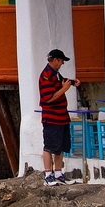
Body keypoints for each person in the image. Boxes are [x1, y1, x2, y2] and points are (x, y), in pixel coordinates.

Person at [39, 48, 78, 186]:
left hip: (62, 116)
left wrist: (71, 82)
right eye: (61, 61)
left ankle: (58, 173)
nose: (62, 63)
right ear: (55, 60)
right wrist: (65, 89)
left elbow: (61, 82)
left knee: (60, 146)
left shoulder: (56, 74)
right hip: (51, 116)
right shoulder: (46, 75)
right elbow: (48, 98)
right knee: (49, 146)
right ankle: (48, 174)